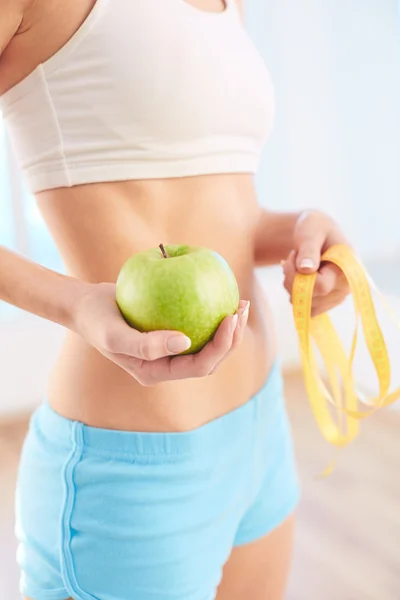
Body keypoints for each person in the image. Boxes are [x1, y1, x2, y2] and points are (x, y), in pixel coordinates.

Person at [0, 1, 350, 599]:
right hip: (131, 469)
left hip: (260, 430)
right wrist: (76, 303)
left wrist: (303, 230)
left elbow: (224, 215)